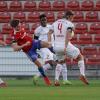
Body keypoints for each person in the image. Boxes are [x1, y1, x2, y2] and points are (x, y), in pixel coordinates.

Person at [48, 10, 89, 85]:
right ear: (69, 16)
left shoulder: (56, 22)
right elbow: (67, 35)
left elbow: (49, 32)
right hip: (65, 45)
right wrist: (65, 46)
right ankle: (82, 75)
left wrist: (50, 43)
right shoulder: (69, 24)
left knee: (61, 61)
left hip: (56, 46)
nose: (72, 18)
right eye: (72, 17)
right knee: (80, 57)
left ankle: (56, 80)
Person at [10, 19, 52, 86]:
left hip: (33, 42)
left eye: (19, 24)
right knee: (39, 64)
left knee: (49, 45)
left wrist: (31, 37)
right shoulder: (14, 36)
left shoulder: (21, 28)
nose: (20, 26)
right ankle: (45, 78)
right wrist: (24, 45)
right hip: (29, 51)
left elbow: (26, 35)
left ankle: (56, 55)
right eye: (18, 26)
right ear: (14, 27)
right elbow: (15, 49)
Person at [34, 14, 71, 86]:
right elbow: (35, 41)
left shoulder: (51, 27)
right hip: (44, 48)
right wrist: (36, 50)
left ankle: (65, 80)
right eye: (42, 20)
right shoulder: (37, 30)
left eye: (45, 19)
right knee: (50, 62)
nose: (44, 21)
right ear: (40, 21)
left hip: (53, 46)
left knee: (62, 60)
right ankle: (37, 75)